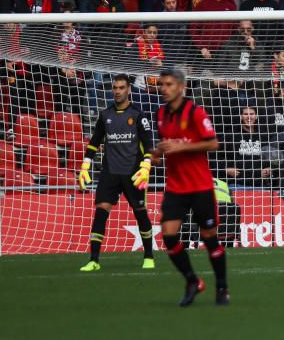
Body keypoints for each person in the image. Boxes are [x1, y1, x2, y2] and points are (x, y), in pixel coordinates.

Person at [152, 68, 228, 306]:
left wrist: (179, 147)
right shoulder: (161, 113)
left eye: (169, 84)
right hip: (175, 186)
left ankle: (222, 288)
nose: (164, 88)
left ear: (181, 87)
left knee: (209, 238)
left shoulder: (195, 112)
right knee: (169, 235)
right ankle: (192, 280)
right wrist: (156, 153)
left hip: (200, 186)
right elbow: (167, 144)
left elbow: (214, 143)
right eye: (162, 84)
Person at [77, 74, 156, 272]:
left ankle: (148, 255)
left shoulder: (139, 115)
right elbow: (94, 142)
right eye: (115, 88)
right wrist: (85, 164)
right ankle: (94, 260)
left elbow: (148, 144)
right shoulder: (105, 115)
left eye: (121, 87)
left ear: (129, 89)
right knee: (101, 212)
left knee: (140, 213)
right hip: (110, 172)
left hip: (133, 172)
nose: (118, 91)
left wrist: (146, 166)